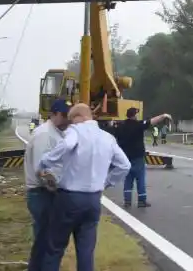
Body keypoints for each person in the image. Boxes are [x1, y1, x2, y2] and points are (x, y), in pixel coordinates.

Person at [38, 103, 131, 271]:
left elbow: (67, 145)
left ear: (78, 117)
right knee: (86, 251)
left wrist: (46, 161)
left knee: (55, 247)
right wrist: (106, 182)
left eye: (71, 120)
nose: (70, 124)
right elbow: (125, 165)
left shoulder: (75, 131)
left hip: (69, 198)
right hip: (93, 198)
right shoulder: (107, 137)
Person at [24, 100, 69, 271]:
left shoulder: (56, 133)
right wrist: (58, 189)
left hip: (46, 193)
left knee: (45, 240)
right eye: (64, 115)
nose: (67, 119)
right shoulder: (44, 135)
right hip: (42, 193)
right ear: (53, 114)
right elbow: (42, 171)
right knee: (47, 241)